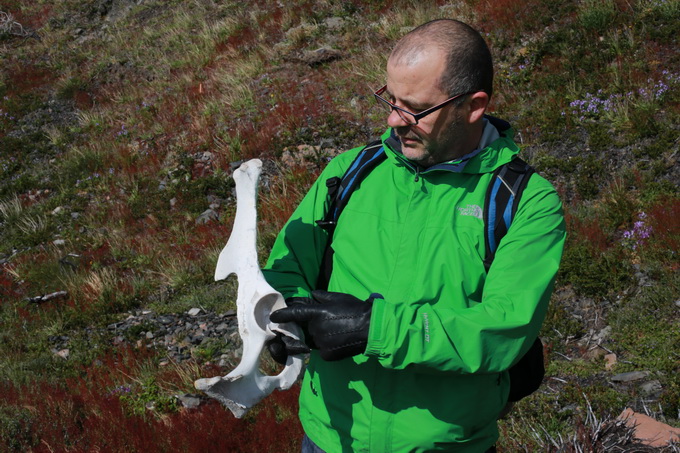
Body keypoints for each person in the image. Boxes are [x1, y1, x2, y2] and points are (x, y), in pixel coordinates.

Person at [262, 18, 566, 452]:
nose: (393, 119)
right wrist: (284, 319)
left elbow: (503, 331)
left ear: (474, 106)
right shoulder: (348, 172)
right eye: (389, 99)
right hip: (330, 437)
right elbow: (287, 267)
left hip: (446, 444)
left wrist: (374, 328)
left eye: (415, 108)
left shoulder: (525, 202)